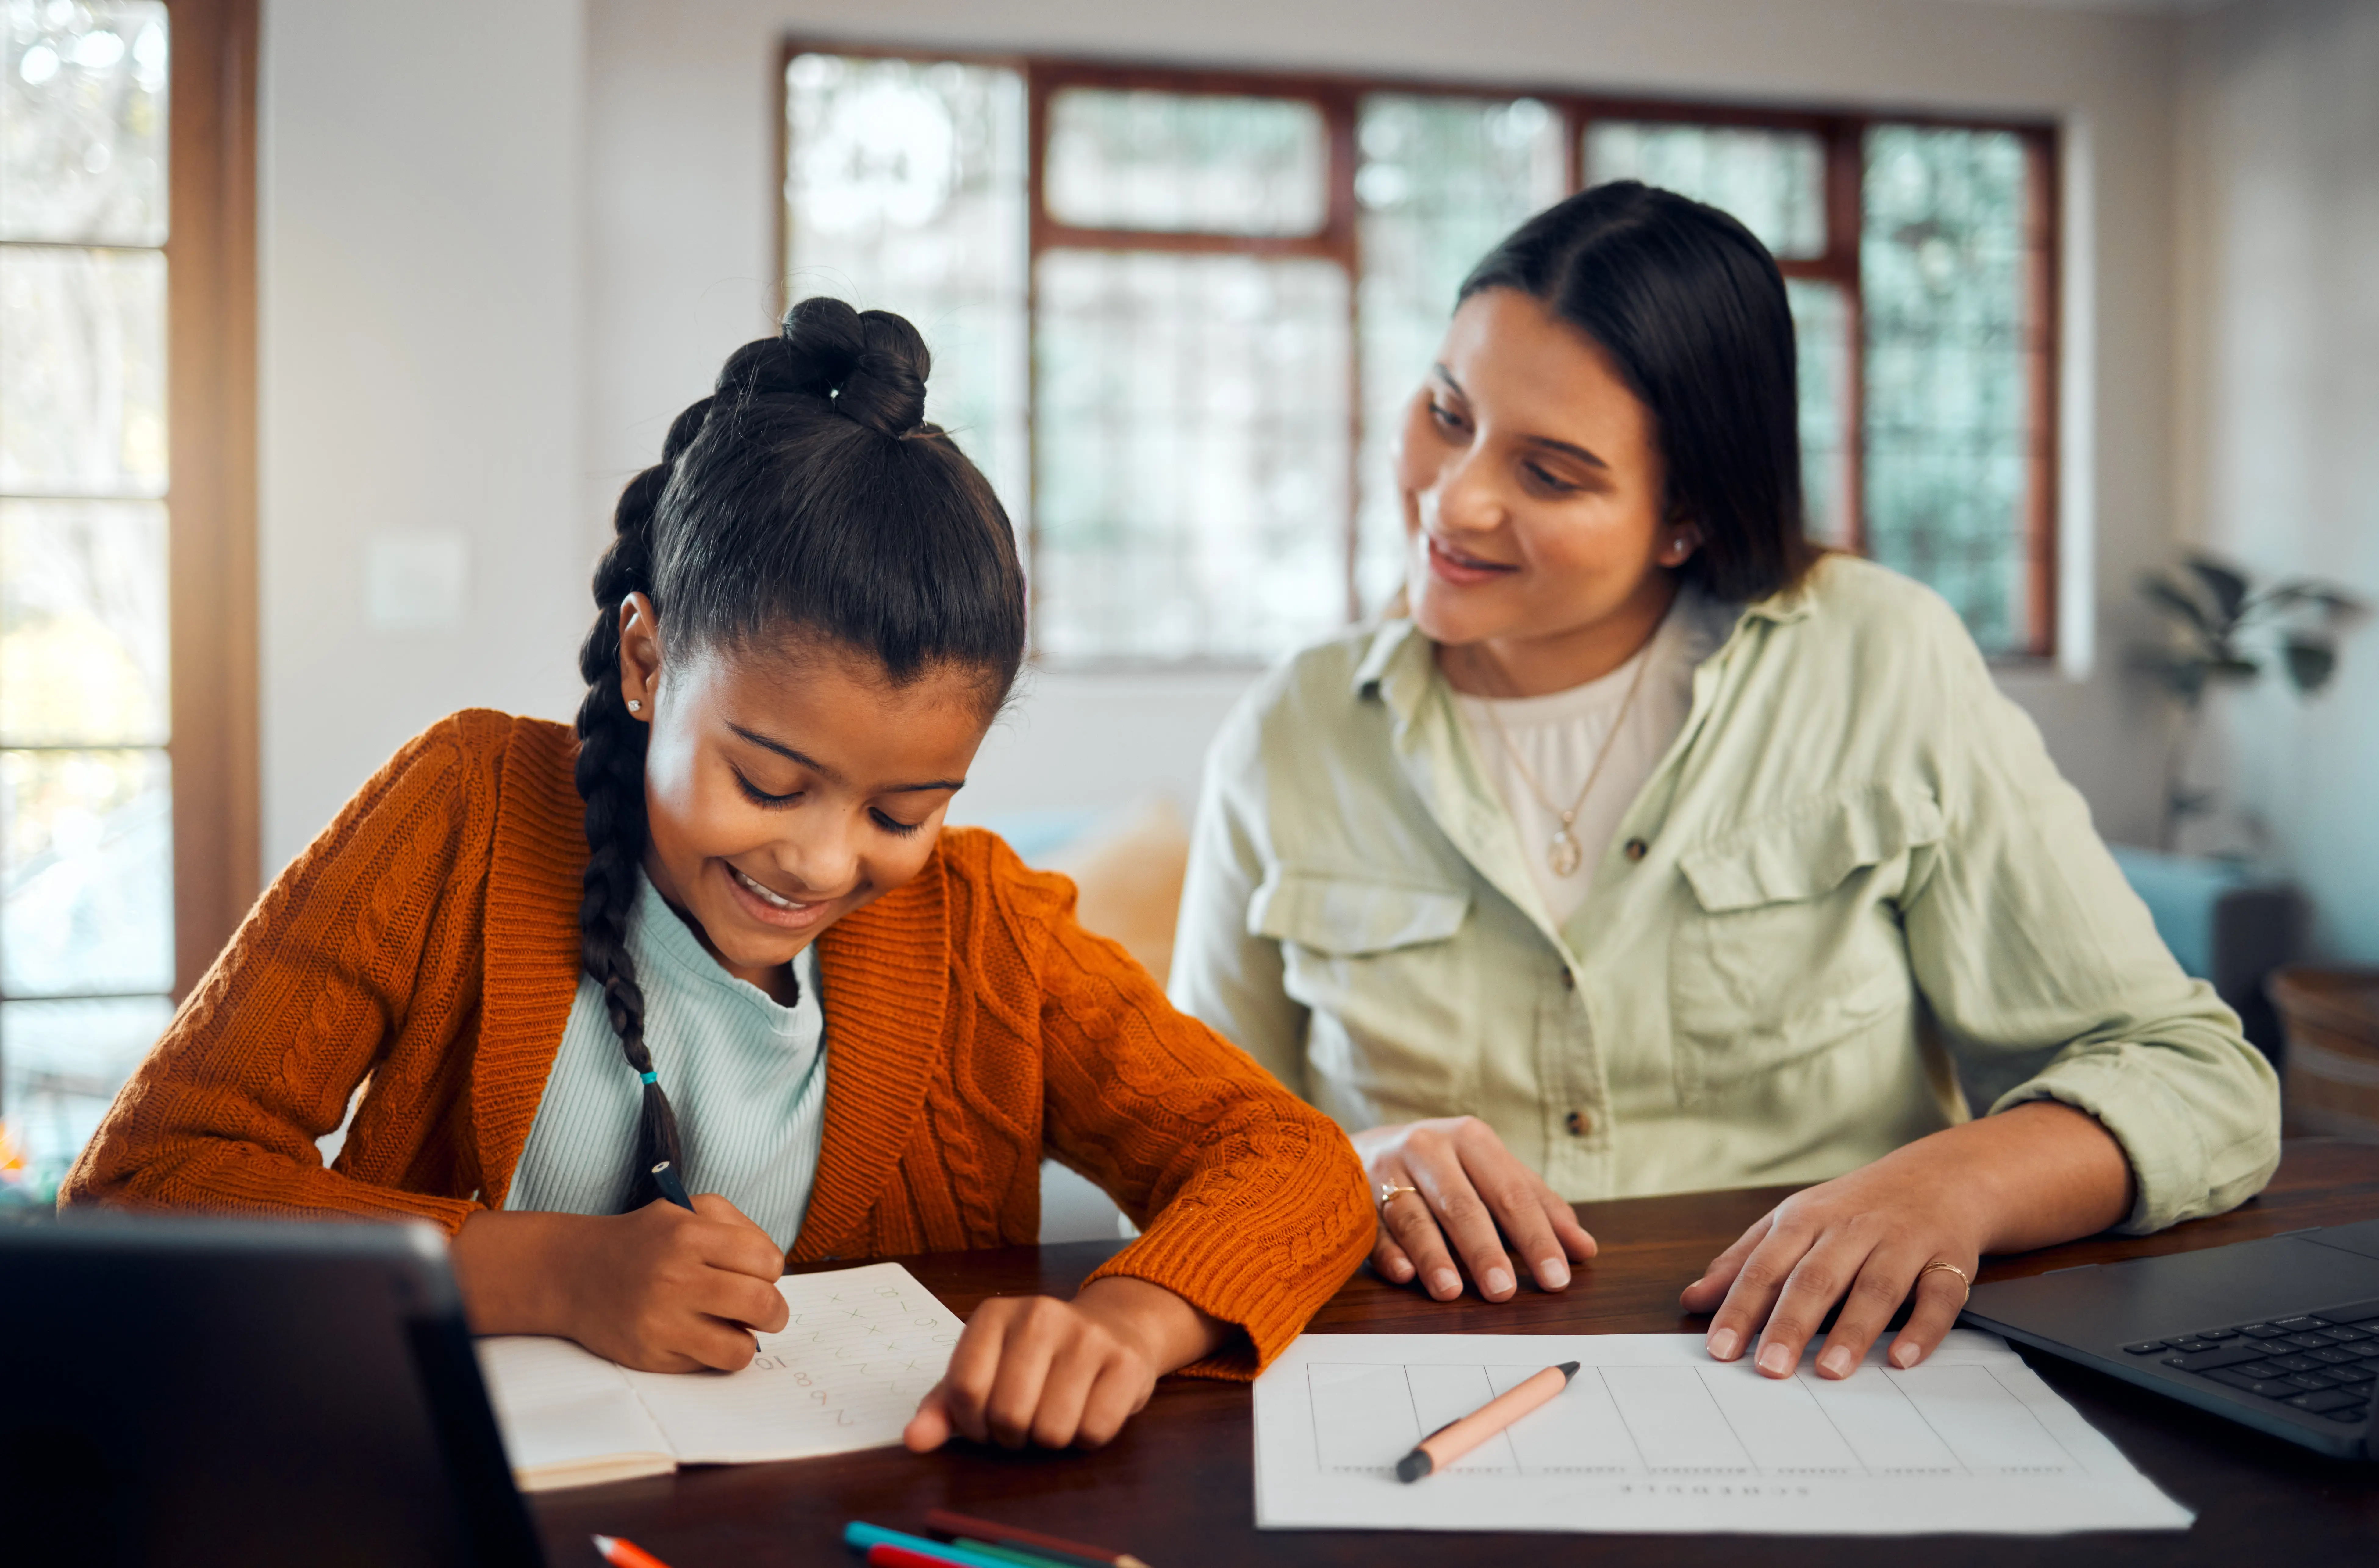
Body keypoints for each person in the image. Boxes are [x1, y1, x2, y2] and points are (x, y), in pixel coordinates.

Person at [66, 299, 1371, 1452]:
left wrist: (1135, 1322)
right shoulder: (462, 812)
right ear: (646, 661)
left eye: (904, 809)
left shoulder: (980, 925)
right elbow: (144, 1188)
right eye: (768, 782)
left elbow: (1289, 1159)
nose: (819, 860)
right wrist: (554, 1272)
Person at [1170, 183, 2279, 1383]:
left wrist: (1955, 1179)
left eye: (1551, 472)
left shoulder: (1877, 658)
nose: (1454, 497)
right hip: (1418, 1385)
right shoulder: (1294, 729)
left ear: (1684, 516)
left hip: (1821, 1380)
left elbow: (2194, 1077)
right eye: (1448, 412)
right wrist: (1356, 1160)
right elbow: (1183, 1147)